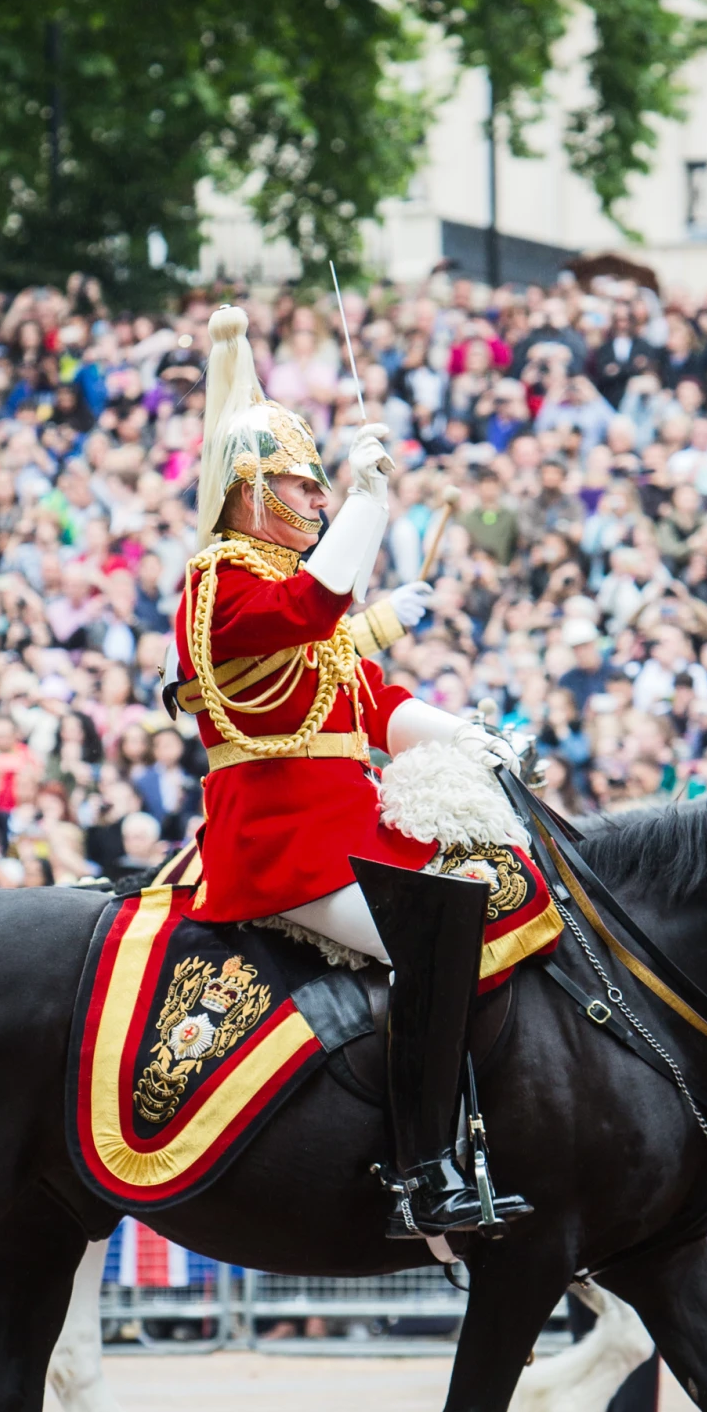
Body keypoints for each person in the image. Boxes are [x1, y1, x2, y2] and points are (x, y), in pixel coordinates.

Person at [172, 306, 537, 1238]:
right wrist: (373, 503)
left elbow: (371, 700)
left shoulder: (283, 588)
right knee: (436, 938)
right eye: (303, 482)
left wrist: (466, 738)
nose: (318, 496)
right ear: (251, 489)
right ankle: (423, 1172)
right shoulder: (220, 578)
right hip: (282, 845)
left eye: (321, 483)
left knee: (503, 890)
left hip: (350, 825)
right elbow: (318, 599)